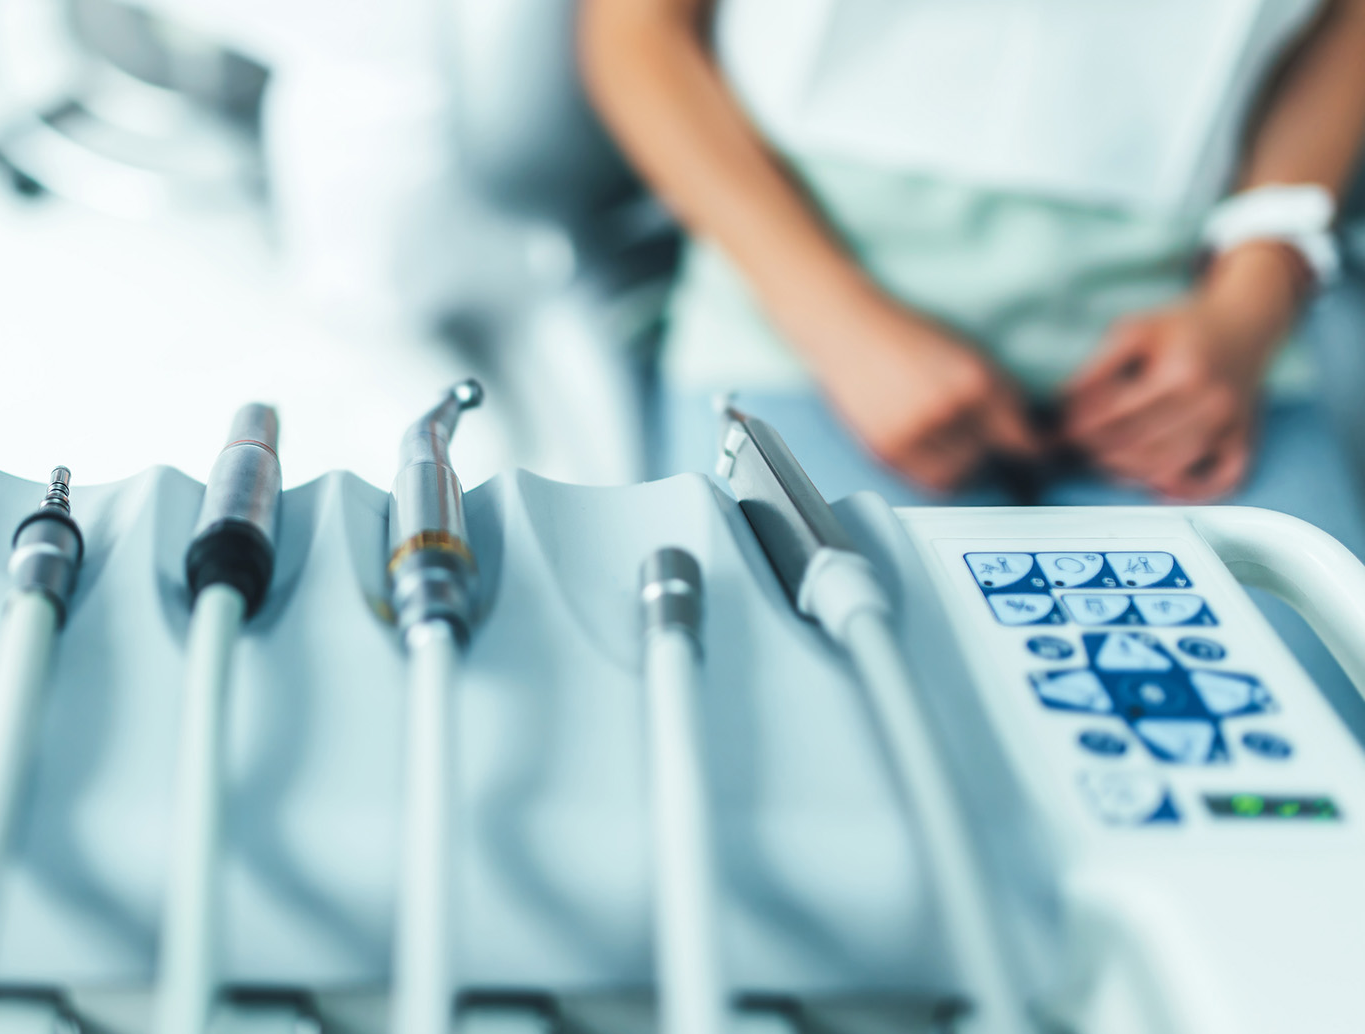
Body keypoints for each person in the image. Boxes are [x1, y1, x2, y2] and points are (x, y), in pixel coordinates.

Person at [582, 0, 1365, 730]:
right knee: (824, 738)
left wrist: (1255, 292)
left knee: (1300, 737)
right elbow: (636, 31)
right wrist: (839, 323)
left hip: (1196, 321)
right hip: (802, 294)